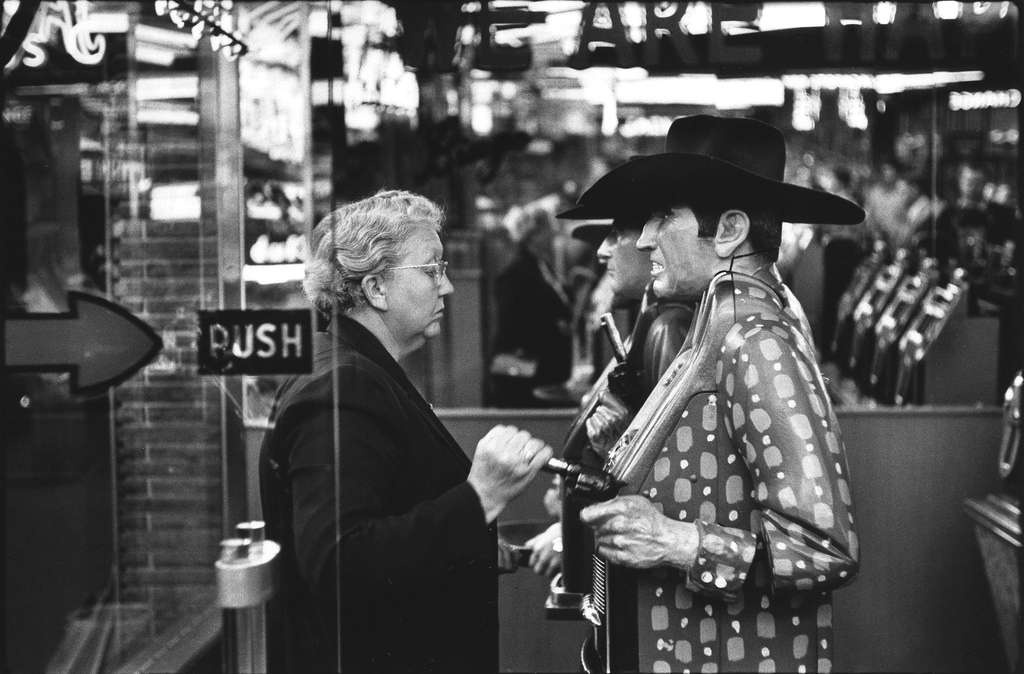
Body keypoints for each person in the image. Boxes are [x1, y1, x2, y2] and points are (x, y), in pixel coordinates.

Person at [569, 115, 863, 673]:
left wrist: (675, 542)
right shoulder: (720, 323)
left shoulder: (757, 340)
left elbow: (825, 548)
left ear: (729, 230)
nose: (645, 237)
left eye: (663, 216)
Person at [259, 190, 553, 674]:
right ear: (375, 288)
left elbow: (393, 510)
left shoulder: (356, 369)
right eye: (432, 269)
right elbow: (340, 561)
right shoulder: (344, 386)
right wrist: (480, 497)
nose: (448, 287)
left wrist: (470, 548)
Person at [525, 214, 694, 578]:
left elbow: (663, 482)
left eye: (617, 235)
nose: (602, 251)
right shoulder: (645, 323)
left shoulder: (666, 328)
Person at [489, 205, 573, 407]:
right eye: (548, 231)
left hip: (544, 371)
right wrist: (553, 327)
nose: (553, 235)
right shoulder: (515, 274)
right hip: (527, 376)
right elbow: (511, 326)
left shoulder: (544, 267)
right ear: (533, 235)